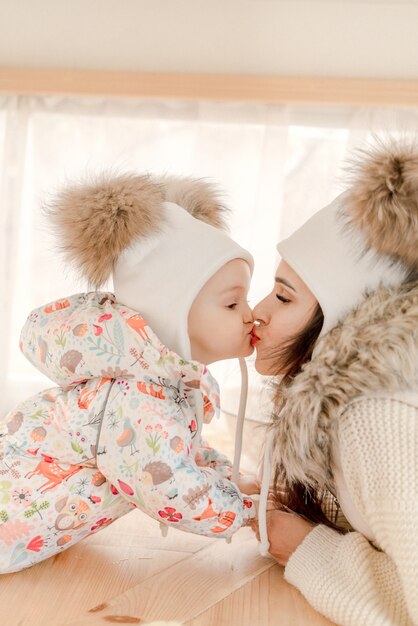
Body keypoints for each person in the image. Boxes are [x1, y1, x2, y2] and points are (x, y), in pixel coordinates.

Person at [0, 173, 257, 574]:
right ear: (174, 314)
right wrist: (245, 511)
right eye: (231, 304)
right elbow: (164, 485)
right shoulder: (140, 397)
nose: (250, 314)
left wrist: (230, 478)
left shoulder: (163, 384)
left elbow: (175, 451)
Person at [250, 139, 418, 626]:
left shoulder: (379, 418)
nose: (257, 311)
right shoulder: (352, 405)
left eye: (283, 298)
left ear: (343, 317)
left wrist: (305, 549)